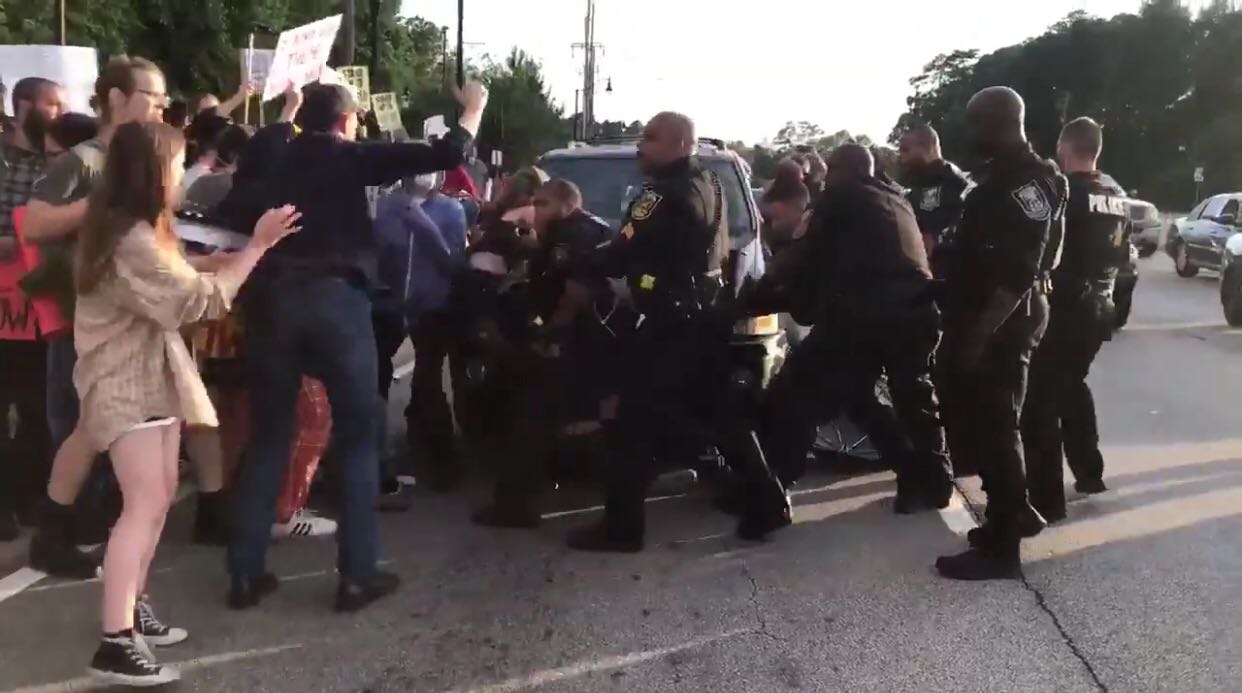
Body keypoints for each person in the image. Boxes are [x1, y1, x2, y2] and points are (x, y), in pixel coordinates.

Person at [227, 81, 487, 613]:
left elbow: (240, 187)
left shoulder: (273, 153)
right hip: (336, 299)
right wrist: (474, 108)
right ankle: (356, 575)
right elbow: (448, 153)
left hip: (272, 298)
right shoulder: (352, 157)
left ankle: (245, 575)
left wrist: (286, 113)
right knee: (357, 435)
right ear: (346, 122)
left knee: (270, 436)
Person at [73, 120, 299, 686]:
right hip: (128, 383)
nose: (183, 174)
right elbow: (203, 303)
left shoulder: (130, 230)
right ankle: (115, 640)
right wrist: (257, 246)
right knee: (145, 504)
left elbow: (175, 277)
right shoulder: (132, 239)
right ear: (152, 172)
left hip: (148, 378)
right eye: (176, 165)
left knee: (158, 496)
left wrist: (212, 262)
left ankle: (132, 609)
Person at [566, 112, 788, 552]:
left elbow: (621, 252)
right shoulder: (710, 181)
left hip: (669, 325)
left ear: (680, 142)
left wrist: (574, 262)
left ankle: (622, 529)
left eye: (650, 138)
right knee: (724, 417)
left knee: (628, 421)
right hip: (704, 319)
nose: (640, 146)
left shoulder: (659, 195)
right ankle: (768, 501)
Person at [22, 57, 172, 579]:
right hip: (81, 314)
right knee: (81, 426)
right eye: (152, 96)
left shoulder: (142, 156)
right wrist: (101, 205)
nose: (162, 106)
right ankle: (62, 532)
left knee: (106, 426)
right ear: (115, 98)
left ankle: (94, 527)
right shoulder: (85, 159)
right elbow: (35, 224)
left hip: (127, 314)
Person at [750, 144, 952, 513]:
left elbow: (800, 258)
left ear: (839, 171)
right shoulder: (895, 198)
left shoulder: (838, 198)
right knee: (896, 401)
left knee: (795, 391)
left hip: (866, 316)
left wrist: (755, 297)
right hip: (917, 312)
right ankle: (930, 482)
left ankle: (770, 488)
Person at [934, 87, 1068, 581]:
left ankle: (1004, 547)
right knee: (982, 421)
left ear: (1001, 122)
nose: (971, 135)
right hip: (986, 314)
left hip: (1003, 320)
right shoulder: (1005, 176)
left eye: (977, 124)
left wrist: (978, 337)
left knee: (997, 428)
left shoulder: (1028, 183)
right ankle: (1004, 517)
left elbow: (1016, 274)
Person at [471, 178, 621, 528]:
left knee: (530, 421)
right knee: (554, 421)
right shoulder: (587, 230)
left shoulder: (573, 235)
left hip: (573, 344)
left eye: (544, 205)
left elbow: (574, 293)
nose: (536, 211)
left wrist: (549, 334)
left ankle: (515, 508)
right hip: (593, 344)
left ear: (567, 206)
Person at [1021, 117, 1122, 522]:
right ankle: (1089, 472)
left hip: (1067, 308)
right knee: (1072, 387)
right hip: (1102, 306)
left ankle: (1046, 501)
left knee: (1040, 404)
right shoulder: (1114, 192)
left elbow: (1048, 253)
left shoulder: (1067, 192)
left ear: (1064, 150)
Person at [0, 77, 66, 540]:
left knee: (39, 409)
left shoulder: (59, 164)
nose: (58, 111)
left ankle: (28, 497)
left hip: (43, 306)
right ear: (24, 105)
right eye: (50, 103)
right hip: (6, 305)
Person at [374, 172, 468, 495]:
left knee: (428, 380)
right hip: (388, 305)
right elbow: (378, 254)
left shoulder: (451, 210)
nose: (422, 177)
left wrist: (424, 226)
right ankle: (376, 458)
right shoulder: (387, 206)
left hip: (431, 307)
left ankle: (441, 461)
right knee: (377, 379)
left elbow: (453, 263)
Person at [898, 124, 970, 272]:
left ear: (929, 147)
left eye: (906, 150)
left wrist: (935, 240)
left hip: (947, 273)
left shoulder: (956, 184)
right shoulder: (915, 185)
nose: (901, 156)